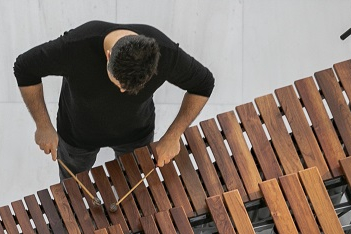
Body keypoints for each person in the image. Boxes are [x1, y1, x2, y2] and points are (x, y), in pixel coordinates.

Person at [13, 21, 215, 181]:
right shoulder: (75, 47)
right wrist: (43, 126)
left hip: (135, 135)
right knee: (72, 191)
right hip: (77, 135)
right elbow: (25, 68)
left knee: (131, 189)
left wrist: (173, 136)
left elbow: (203, 84)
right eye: (119, 84)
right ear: (109, 56)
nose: (123, 91)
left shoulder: (165, 53)